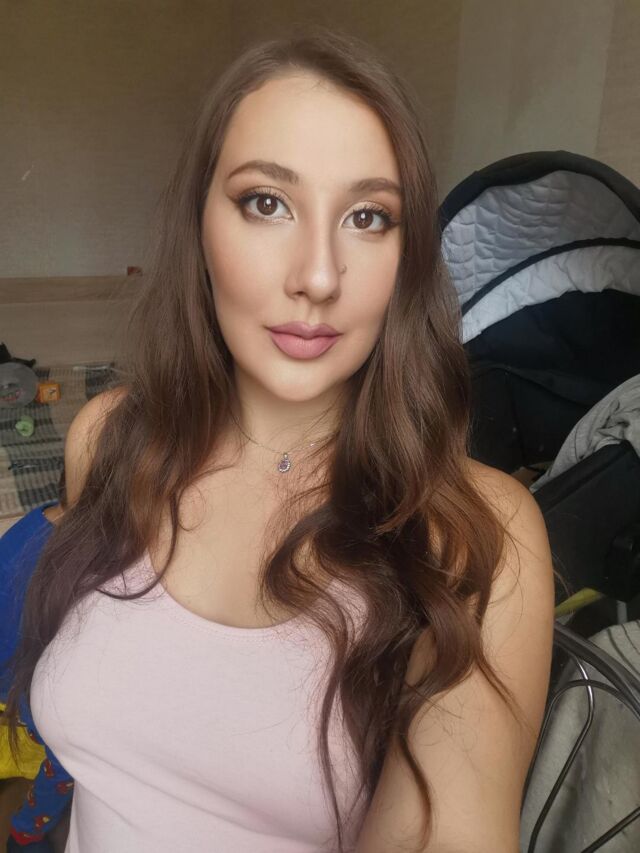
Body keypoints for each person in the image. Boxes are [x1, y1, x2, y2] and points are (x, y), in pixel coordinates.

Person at [1, 24, 555, 853]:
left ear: (407, 257)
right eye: (267, 202)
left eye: (368, 216)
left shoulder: (476, 538)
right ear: (200, 224)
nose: (318, 276)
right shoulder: (109, 440)